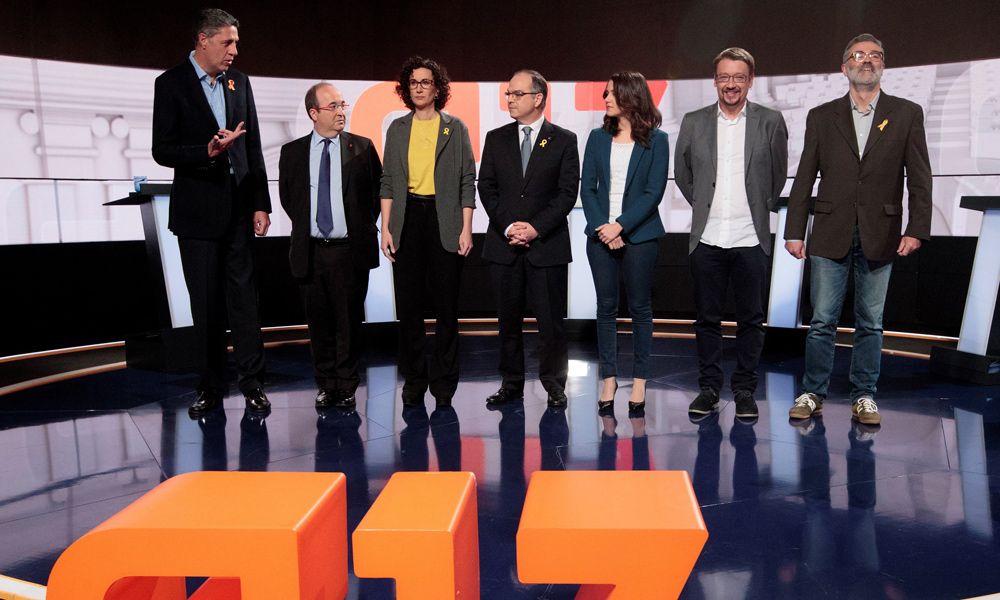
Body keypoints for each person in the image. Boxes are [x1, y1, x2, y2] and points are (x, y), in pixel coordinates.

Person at [784, 34, 932, 426]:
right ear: (844, 66)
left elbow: (920, 177)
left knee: (871, 322)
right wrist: (794, 229)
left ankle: (864, 395)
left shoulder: (907, 113)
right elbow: (804, 178)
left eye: (875, 55)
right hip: (829, 230)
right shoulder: (821, 115)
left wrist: (917, 228)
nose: (867, 60)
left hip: (881, 232)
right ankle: (812, 393)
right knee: (821, 321)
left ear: (883, 65)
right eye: (858, 55)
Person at [152, 8, 272, 417]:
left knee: (245, 303)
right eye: (227, 42)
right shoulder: (170, 84)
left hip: (239, 209)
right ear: (203, 40)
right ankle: (209, 388)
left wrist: (260, 202)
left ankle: (253, 385)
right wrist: (205, 152)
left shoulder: (240, 82)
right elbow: (162, 149)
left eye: (236, 42)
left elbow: (252, 146)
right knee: (205, 306)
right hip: (198, 214)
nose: (234, 50)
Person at [674, 47, 789, 423]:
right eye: (724, 77)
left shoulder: (770, 121)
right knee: (706, 319)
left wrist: (759, 205)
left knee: (751, 320)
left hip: (750, 237)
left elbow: (777, 175)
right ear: (715, 81)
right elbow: (684, 174)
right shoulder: (693, 121)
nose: (731, 84)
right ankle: (709, 388)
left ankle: (744, 391)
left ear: (750, 80)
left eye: (739, 77)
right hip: (707, 238)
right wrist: (704, 205)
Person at [478, 69, 580, 409]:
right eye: (508, 93)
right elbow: (486, 187)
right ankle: (511, 384)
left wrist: (535, 228)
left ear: (538, 98)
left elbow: (566, 194)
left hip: (546, 245)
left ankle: (554, 385)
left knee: (551, 323)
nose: (509, 99)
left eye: (516, 94)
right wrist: (510, 226)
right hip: (504, 244)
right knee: (507, 322)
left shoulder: (564, 140)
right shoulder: (496, 138)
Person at [379, 56, 476, 409]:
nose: (418, 88)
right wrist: (386, 227)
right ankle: (414, 380)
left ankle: (444, 382)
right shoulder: (397, 128)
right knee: (409, 308)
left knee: (446, 309)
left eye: (425, 82)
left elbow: (467, 180)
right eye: (413, 82)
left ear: (437, 88)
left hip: (444, 219)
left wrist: (466, 228)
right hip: (408, 219)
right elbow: (388, 181)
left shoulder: (455, 127)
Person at [278, 82, 382, 410]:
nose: (340, 112)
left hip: (349, 251)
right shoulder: (292, 152)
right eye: (332, 106)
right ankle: (325, 385)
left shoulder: (362, 148)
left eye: (342, 105)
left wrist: (358, 227)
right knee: (319, 323)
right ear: (313, 113)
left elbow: (375, 196)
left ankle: (347, 385)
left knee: (348, 323)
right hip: (311, 250)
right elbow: (289, 198)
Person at [580, 71, 669, 413]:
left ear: (631, 95)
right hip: (600, 235)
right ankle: (609, 377)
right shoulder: (597, 137)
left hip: (640, 235)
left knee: (640, 309)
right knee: (605, 308)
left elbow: (653, 192)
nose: (606, 99)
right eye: (605, 93)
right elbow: (588, 188)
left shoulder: (657, 140)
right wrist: (603, 227)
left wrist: (620, 226)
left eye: (612, 93)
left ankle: (640, 380)